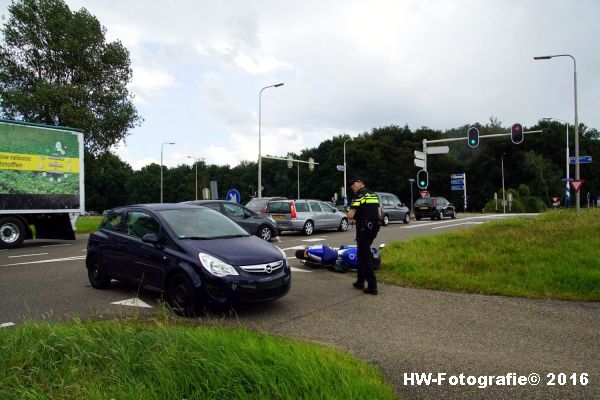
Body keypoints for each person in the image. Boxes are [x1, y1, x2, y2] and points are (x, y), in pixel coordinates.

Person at [346, 177, 381, 295]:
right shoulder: (374, 195)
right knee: (361, 254)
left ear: (360, 184)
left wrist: (352, 212)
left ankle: (372, 286)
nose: (351, 186)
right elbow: (379, 213)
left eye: (353, 184)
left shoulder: (359, 196)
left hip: (364, 229)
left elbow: (350, 216)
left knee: (365, 257)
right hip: (374, 228)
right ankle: (360, 281)